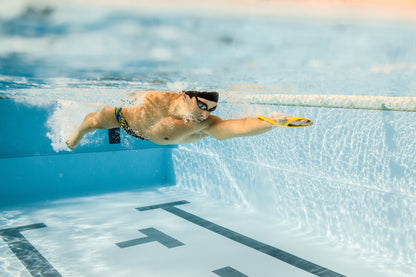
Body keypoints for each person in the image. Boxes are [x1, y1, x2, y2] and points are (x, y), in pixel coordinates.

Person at [65, 90, 313, 150]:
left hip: (144, 133)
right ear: (185, 96)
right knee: (94, 122)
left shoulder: (203, 124)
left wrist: (271, 122)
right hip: (125, 120)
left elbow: (235, 128)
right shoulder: (158, 97)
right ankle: (76, 134)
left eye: (211, 109)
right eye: (202, 105)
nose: (206, 113)